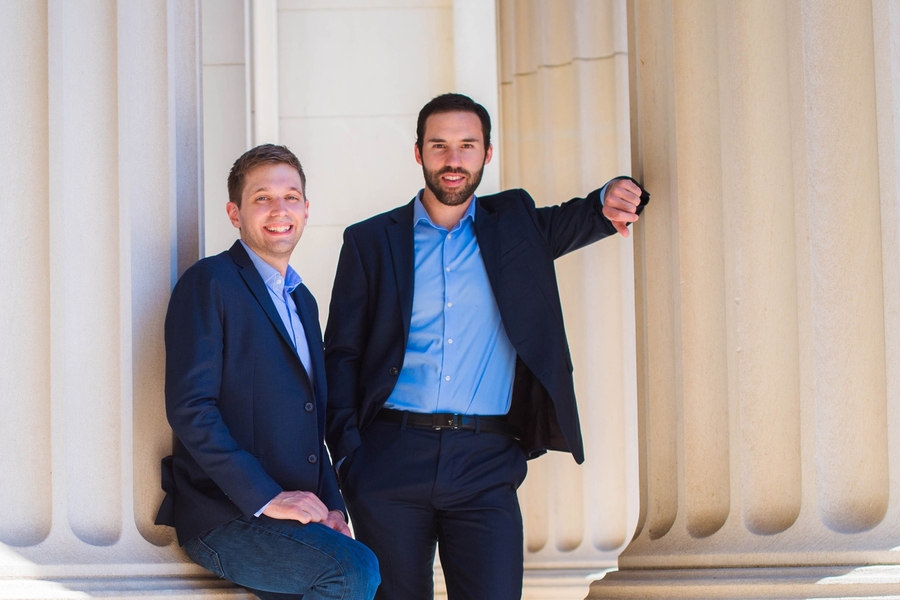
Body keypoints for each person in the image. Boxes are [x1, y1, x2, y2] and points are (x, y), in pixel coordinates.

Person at [324, 93, 649, 599]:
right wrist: (348, 457)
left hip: (485, 461)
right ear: (418, 153)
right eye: (440, 146)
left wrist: (614, 192)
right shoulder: (370, 241)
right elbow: (340, 354)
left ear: (487, 154)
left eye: (467, 146)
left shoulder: (516, 226)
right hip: (389, 456)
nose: (453, 160)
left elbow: (585, 214)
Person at [155, 144, 380, 600]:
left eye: (291, 197)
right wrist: (266, 498)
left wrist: (333, 509)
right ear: (234, 213)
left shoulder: (303, 301)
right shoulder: (210, 282)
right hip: (225, 515)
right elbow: (190, 408)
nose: (280, 209)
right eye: (262, 198)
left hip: (293, 516)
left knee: (358, 563)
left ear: (306, 209)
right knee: (352, 570)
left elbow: (310, 419)